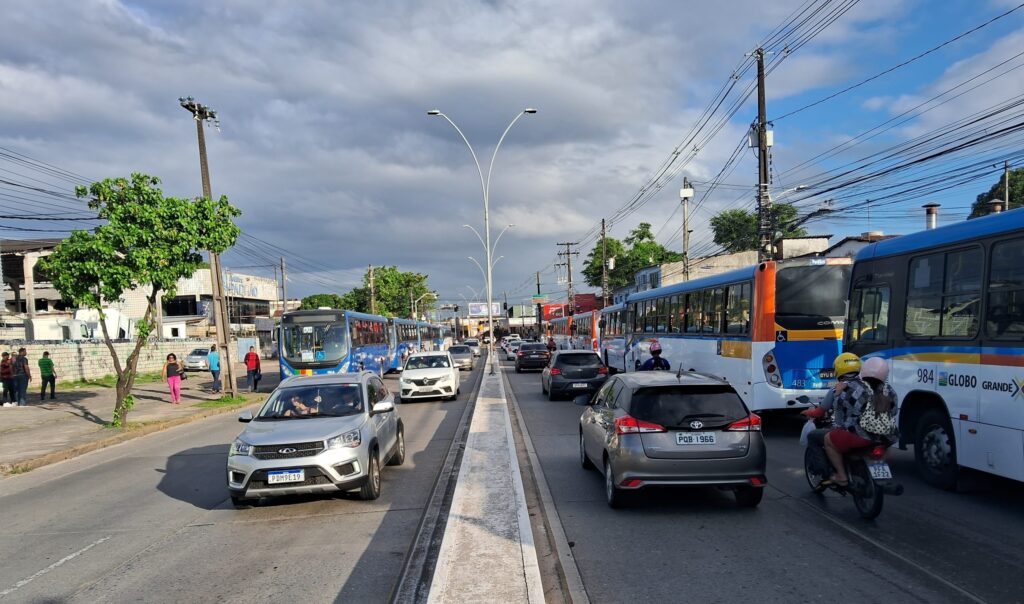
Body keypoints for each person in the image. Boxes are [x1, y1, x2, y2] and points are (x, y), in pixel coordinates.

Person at [823, 356, 898, 486]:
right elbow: (894, 411)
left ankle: (841, 475)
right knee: (883, 446)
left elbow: (840, 410)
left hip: (860, 435)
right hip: (887, 436)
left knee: (828, 440)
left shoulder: (853, 388)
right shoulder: (890, 391)